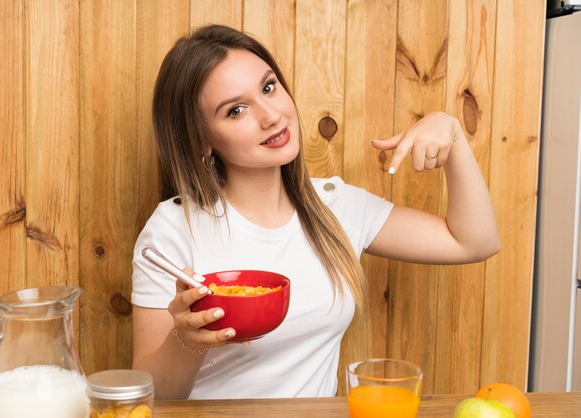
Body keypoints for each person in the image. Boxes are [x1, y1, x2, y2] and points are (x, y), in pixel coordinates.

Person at [131, 24, 499, 400]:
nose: (271, 116)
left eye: (269, 87)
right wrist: (186, 340)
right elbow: (152, 396)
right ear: (202, 140)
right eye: (237, 110)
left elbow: (473, 242)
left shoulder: (336, 207)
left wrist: (453, 135)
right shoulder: (174, 229)